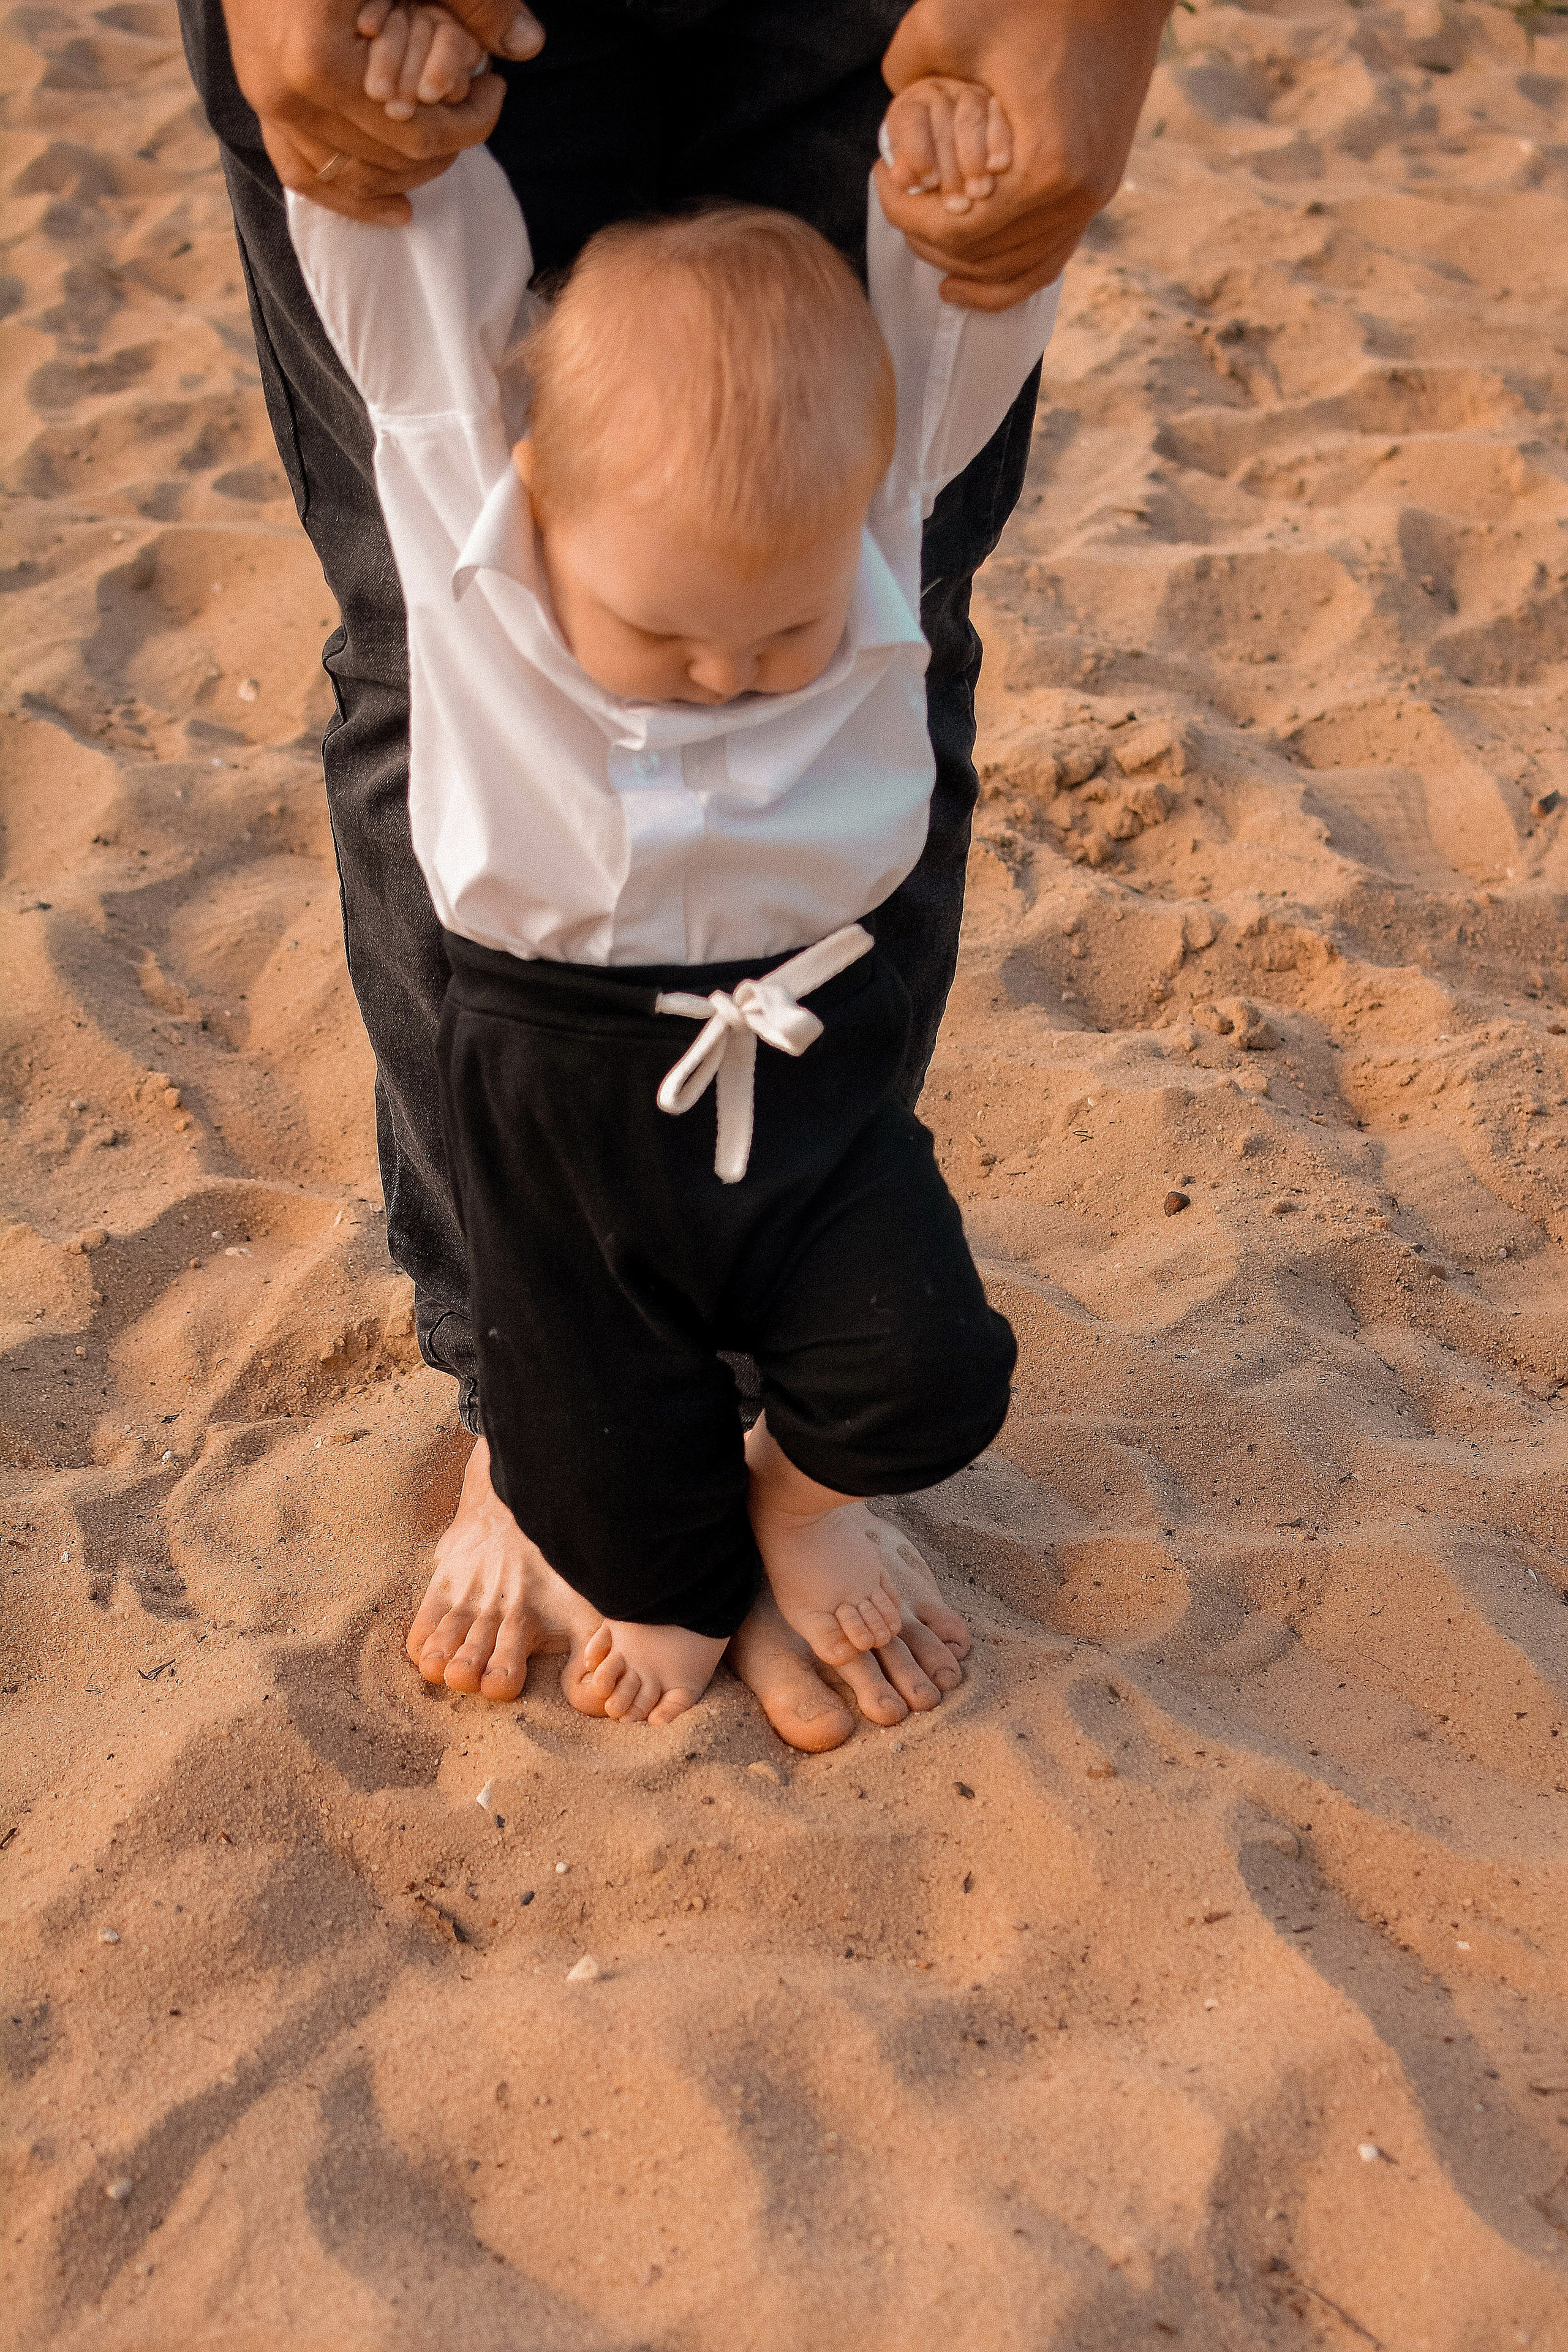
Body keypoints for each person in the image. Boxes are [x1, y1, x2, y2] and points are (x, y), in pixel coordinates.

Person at [176, 0, 1171, 1748]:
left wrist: (987, 184)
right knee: (596, 1458)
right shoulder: (484, 541)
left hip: (808, 1062)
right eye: (664, 632)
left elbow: (950, 341)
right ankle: (622, 1531)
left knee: (929, 1373)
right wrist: (384, 135)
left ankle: (791, 1494)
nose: (725, 673)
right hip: (552, 1090)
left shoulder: (862, 541)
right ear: (537, 508)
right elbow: (405, 307)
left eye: (778, 638)